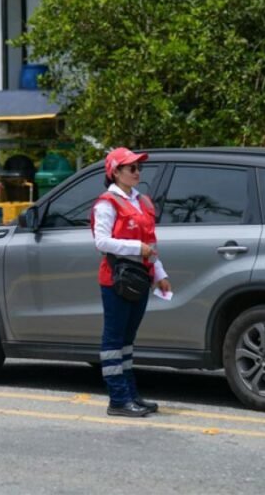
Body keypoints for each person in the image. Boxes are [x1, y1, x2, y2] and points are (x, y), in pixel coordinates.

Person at [90, 147, 171, 417]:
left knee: (127, 341)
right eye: (131, 168)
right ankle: (118, 399)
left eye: (139, 167)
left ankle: (130, 395)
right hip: (116, 279)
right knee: (114, 340)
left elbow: (151, 244)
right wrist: (137, 248)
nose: (137, 172)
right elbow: (102, 242)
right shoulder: (106, 203)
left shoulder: (142, 201)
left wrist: (159, 274)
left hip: (140, 277)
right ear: (115, 172)